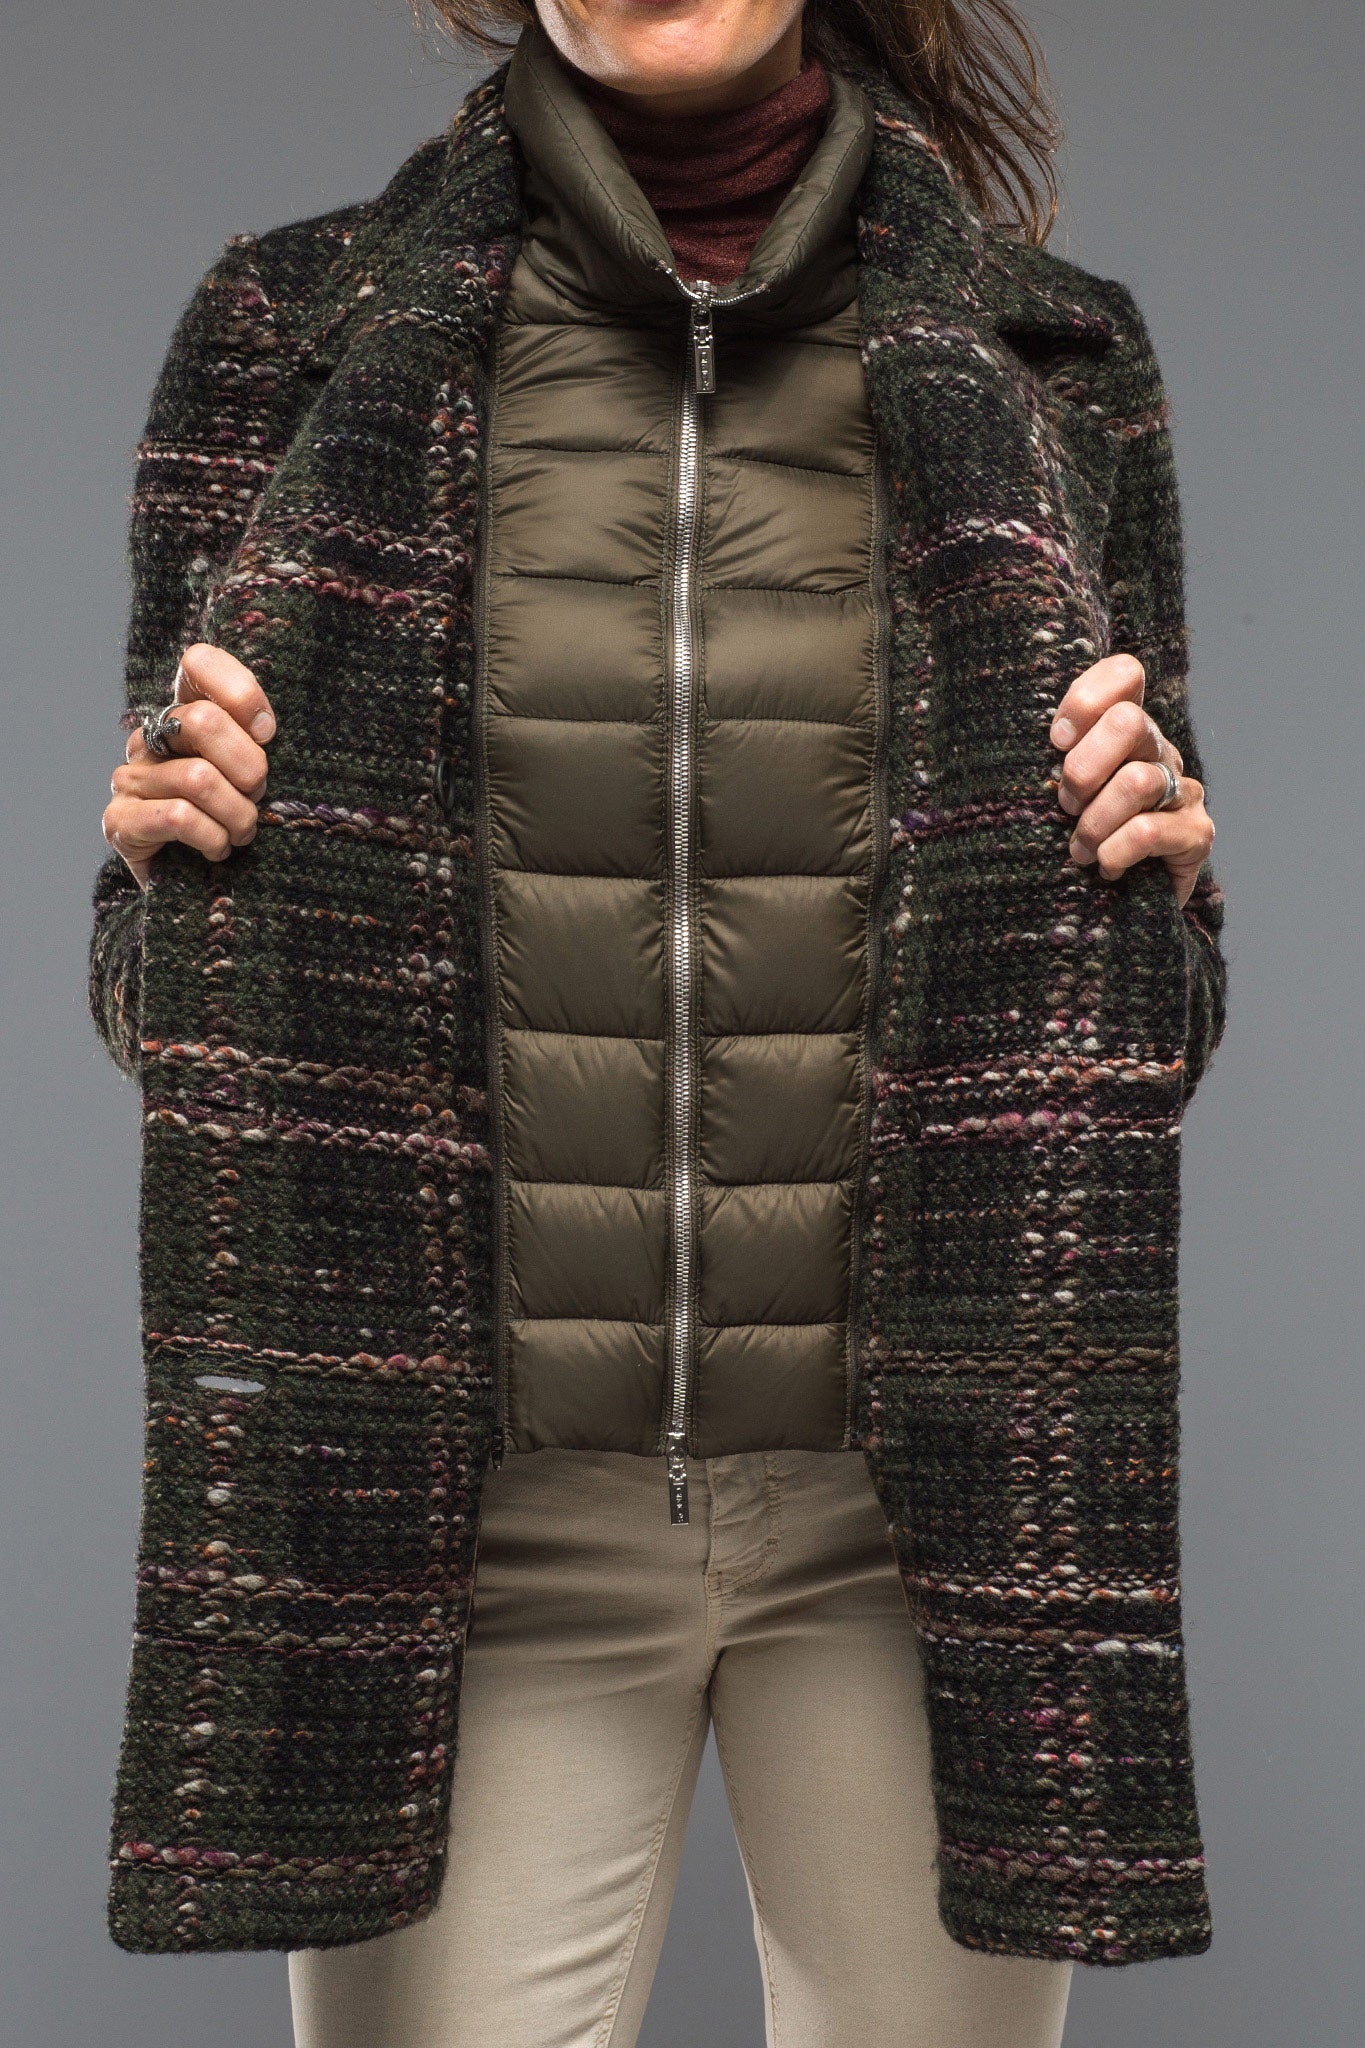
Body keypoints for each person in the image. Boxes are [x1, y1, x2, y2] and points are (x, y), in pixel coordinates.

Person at [89, 0, 1228, 2041]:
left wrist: (1156, 889)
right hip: (459, 1522)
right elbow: (162, 997)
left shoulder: (1055, 360)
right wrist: (169, 878)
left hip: (918, 1516)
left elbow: (1149, 1012)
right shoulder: (290, 333)